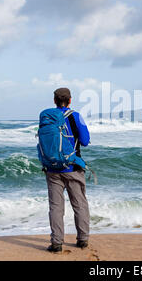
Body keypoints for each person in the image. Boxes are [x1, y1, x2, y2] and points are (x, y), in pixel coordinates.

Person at [45, 88, 91, 253]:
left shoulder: (48, 117)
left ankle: (56, 243)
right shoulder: (75, 116)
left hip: (52, 168)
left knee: (56, 207)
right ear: (70, 100)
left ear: (54, 101)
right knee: (79, 204)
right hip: (72, 167)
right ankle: (82, 240)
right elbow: (85, 141)